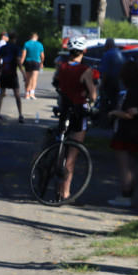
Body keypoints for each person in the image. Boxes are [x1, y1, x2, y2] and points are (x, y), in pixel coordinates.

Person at [54, 36, 98, 200]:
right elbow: (93, 96)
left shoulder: (62, 66)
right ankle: (66, 192)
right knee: (73, 154)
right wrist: (87, 92)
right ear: (84, 51)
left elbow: (59, 85)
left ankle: (57, 189)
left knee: (61, 149)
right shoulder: (85, 71)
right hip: (79, 111)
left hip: (65, 109)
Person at [105, 59, 138, 207]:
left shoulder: (131, 92)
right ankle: (130, 192)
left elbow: (129, 114)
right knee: (132, 164)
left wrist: (114, 112)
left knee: (124, 166)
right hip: (135, 132)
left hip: (125, 132)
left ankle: (125, 194)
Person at [0, 31, 23, 121]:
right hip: (12, 74)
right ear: (15, 38)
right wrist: (23, 73)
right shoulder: (17, 48)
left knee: (1, 94)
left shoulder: (3, 48)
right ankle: (20, 114)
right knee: (17, 94)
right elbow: (18, 61)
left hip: (4, 73)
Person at [97, 38, 126, 115]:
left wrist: (102, 84)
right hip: (118, 81)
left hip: (109, 81)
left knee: (104, 101)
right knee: (115, 101)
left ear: (107, 45)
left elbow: (105, 72)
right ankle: (113, 118)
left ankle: (105, 120)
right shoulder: (119, 53)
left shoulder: (107, 54)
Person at [22, 32, 44, 100]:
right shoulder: (40, 44)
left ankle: (27, 94)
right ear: (36, 37)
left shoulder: (26, 43)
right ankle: (32, 93)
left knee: (27, 78)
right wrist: (42, 63)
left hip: (28, 61)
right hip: (36, 61)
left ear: (30, 37)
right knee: (34, 78)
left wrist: (21, 62)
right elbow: (42, 56)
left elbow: (23, 55)